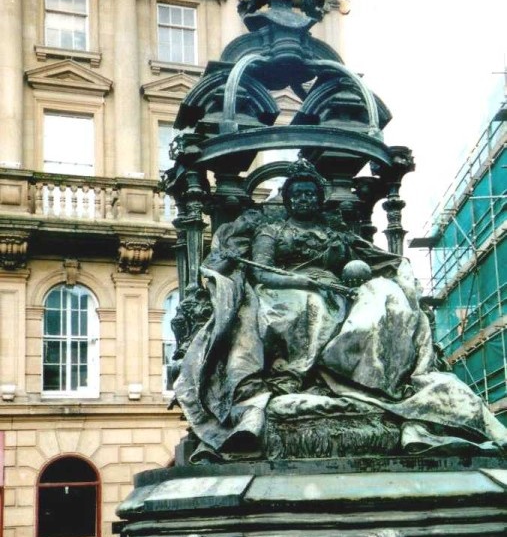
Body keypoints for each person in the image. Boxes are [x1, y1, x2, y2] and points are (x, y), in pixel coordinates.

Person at [174, 160, 507, 461]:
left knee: (386, 299)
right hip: (285, 289)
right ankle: (300, 376)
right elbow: (262, 273)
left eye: (310, 194)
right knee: (311, 307)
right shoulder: (271, 231)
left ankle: (379, 380)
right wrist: (306, 282)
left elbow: (363, 264)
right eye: (298, 194)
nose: (304, 199)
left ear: (319, 199)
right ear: (288, 199)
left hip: (339, 289)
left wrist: (359, 276)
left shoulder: (336, 233)